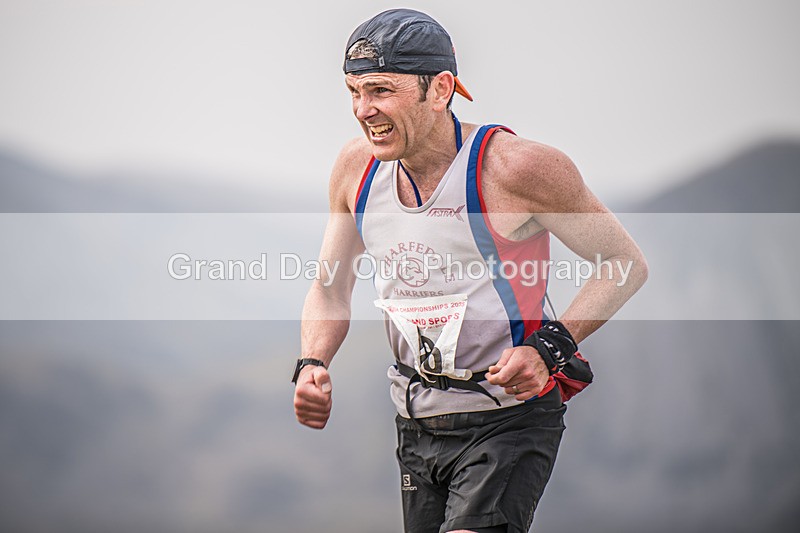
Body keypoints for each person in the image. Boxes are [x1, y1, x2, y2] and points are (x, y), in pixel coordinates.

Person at [292, 8, 648, 533]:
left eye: (381, 90)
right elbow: (329, 288)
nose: (363, 110)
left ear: (440, 89)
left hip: (508, 417)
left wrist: (550, 346)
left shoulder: (517, 169)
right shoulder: (355, 168)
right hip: (416, 420)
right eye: (353, 91)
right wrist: (312, 362)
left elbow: (624, 264)